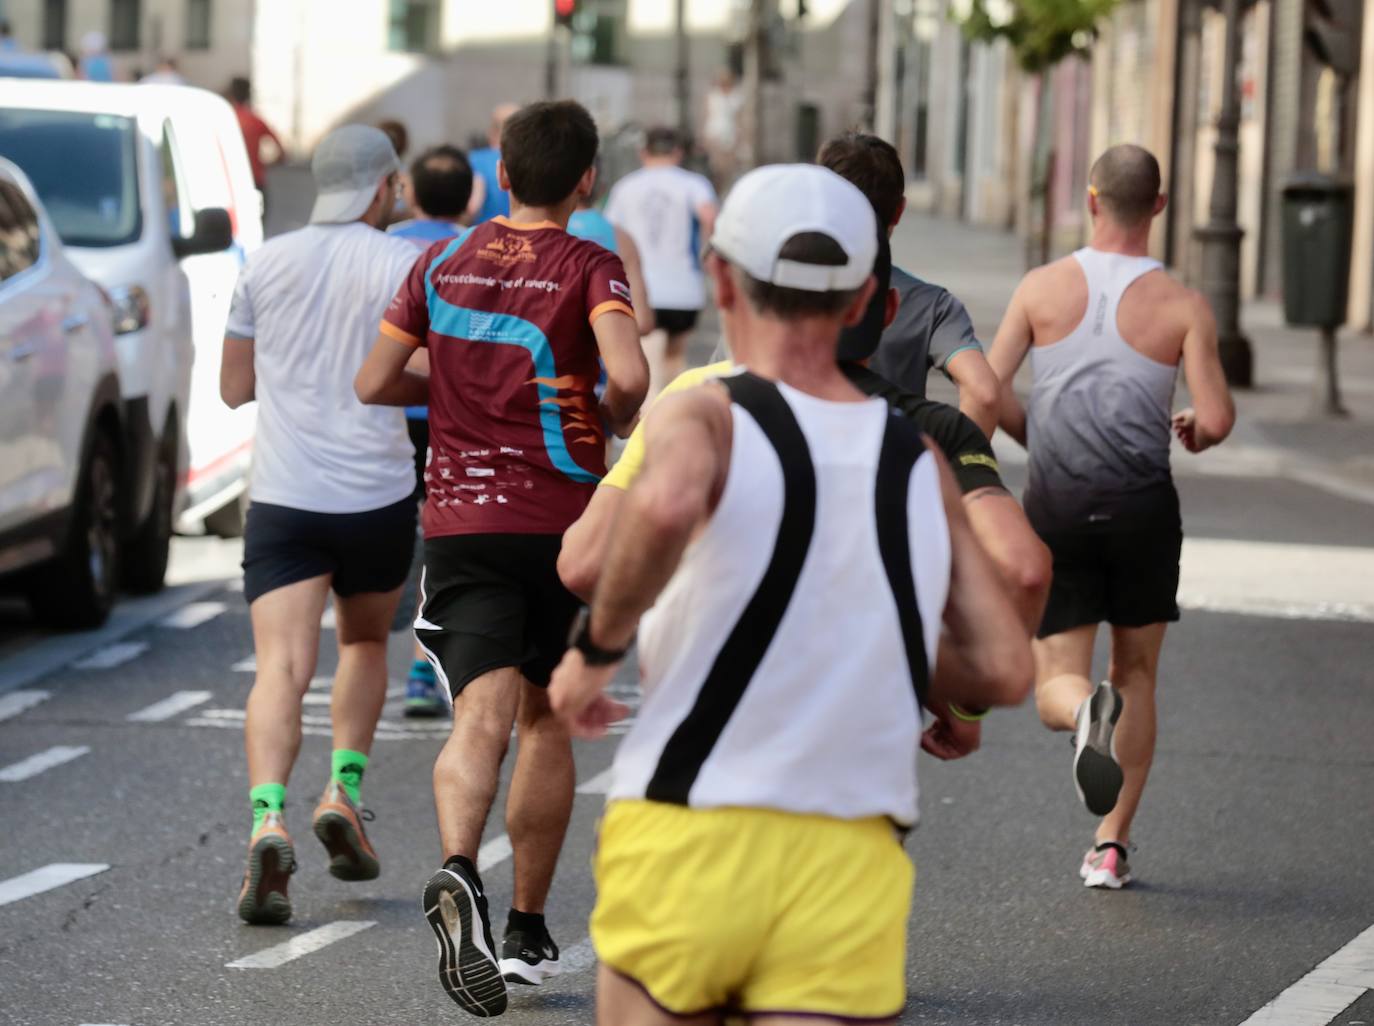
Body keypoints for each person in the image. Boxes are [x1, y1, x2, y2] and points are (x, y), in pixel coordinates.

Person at [548, 163, 1032, 1025]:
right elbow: (1003, 666)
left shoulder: (706, 412)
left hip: (690, 825)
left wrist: (595, 652)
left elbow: (659, 504)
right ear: (864, 307)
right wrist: (914, 668)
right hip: (847, 847)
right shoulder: (915, 460)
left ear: (723, 280)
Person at [355, 99, 648, 1015]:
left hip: (463, 523)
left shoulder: (438, 260)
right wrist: (602, 415)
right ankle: (524, 928)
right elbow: (631, 376)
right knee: (548, 721)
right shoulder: (592, 263)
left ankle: (456, 871)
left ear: (503, 174)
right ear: (587, 180)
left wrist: (449, 388)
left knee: (478, 717)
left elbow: (372, 382)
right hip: (565, 523)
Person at [988, 143, 1235, 889]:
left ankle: (1080, 713)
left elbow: (986, 387)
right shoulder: (1185, 306)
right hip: (1142, 513)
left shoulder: (1040, 289)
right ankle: (1111, 846)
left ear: (1091, 200)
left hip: (1055, 507)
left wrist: (1040, 435)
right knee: (1139, 674)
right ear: (1157, 207)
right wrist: (1193, 426)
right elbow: (1217, 419)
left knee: (1054, 683)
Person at [220, 124, 423, 925]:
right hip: (375, 496)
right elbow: (435, 378)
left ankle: (267, 814)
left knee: (281, 667)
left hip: (284, 496)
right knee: (367, 644)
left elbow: (235, 388)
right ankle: (344, 790)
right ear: (384, 186)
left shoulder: (264, 262)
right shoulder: (407, 263)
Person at [817, 133, 1001, 438]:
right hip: (894, 472)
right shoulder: (933, 306)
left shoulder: (776, 290)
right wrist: (954, 476)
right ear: (899, 211)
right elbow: (984, 394)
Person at [386, 144, 475, 717]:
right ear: (470, 196)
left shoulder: (385, 245)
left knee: (395, 536)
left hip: (388, 411)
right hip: (454, 412)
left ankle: (365, 653)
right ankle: (425, 668)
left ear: (410, 192)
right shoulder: (480, 248)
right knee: (439, 541)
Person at [605, 125, 718, 397]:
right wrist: (706, 253)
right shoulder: (694, 183)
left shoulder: (626, 187)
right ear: (677, 153)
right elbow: (710, 217)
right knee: (675, 361)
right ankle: (675, 415)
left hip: (643, 290)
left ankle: (650, 430)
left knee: (649, 364)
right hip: (684, 288)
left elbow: (611, 231)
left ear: (643, 152)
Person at [227, 77, 283, 195]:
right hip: (255, 179)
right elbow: (281, 152)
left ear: (231, 94)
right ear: (248, 95)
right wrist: (264, 164)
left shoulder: (224, 119)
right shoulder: (256, 120)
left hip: (231, 181)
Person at [466, 103, 518, 225]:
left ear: (491, 131)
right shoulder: (528, 160)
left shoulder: (476, 160)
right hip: (520, 235)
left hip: (484, 234)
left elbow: (473, 206)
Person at [701, 67, 743, 190]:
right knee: (716, 167)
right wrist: (705, 136)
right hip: (714, 133)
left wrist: (740, 138)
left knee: (729, 167)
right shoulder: (713, 97)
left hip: (731, 135)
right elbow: (706, 116)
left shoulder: (737, 97)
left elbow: (739, 119)